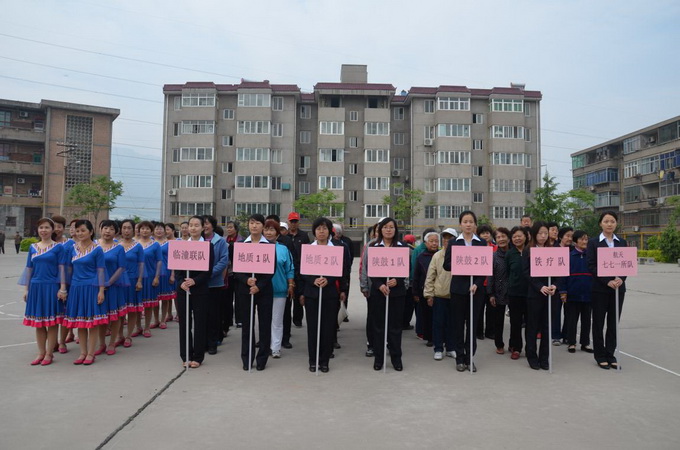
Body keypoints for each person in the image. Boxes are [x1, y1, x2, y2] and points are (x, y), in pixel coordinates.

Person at [300, 217, 348, 372]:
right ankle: (313, 360)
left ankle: (324, 361)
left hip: (330, 294)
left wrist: (329, 280)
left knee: (327, 329)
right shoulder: (308, 249)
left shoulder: (336, 249)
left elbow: (341, 271)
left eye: (325, 228)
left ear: (329, 231)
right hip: (312, 294)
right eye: (318, 228)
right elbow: (302, 271)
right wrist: (313, 280)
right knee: (313, 329)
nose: (321, 231)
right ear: (314, 231)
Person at [361, 217, 408, 371]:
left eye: (391, 227)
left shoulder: (402, 247)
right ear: (380, 230)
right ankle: (379, 359)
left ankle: (396, 359)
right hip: (378, 292)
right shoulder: (373, 246)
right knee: (378, 327)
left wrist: (397, 280)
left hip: (397, 293)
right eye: (385, 227)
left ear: (396, 230)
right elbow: (370, 268)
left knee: (395, 327)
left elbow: (406, 268)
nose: (388, 230)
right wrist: (379, 284)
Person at [19, 218, 67, 366]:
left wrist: (62, 288)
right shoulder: (33, 247)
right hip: (36, 288)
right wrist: (26, 289)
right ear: (37, 230)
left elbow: (62, 269)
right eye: (41, 228)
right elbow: (29, 269)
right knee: (39, 323)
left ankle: (49, 353)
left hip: (51, 287)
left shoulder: (58, 248)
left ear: (52, 230)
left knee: (52, 322)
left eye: (47, 227)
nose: (43, 230)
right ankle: (41, 352)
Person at [443, 211, 487, 372]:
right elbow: (446, 265)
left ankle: (470, 358)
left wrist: (477, 283)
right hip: (458, 289)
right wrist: (461, 265)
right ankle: (460, 358)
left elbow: (485, 266)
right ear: (460, 224)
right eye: (465, 221)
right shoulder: (454, 242)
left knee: (472, 325)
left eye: (471, 222)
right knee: (458, 325)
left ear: (475, 224)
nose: (468, 224)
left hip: (475, 290)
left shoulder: (481, 243)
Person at [62, 219, 108, 365]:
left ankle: (90, 353)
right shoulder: (72, 249)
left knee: (92, 323)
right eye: (77, 231)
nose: (80, 233)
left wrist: (101, 290)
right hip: (76, 288)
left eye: (83, 230)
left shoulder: (97, 249)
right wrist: (64, 288)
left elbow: (101, 271)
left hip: (91, 288)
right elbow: (68, 270)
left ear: (91, 232)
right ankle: (82, 352)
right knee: (80, 322)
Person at [587, 211, 627, 370]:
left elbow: (627, 263)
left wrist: (621, 278)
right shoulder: (593, 242)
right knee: (598, 322)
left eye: (612, 221)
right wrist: (607, 281)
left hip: (618, 289)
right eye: (606, 221)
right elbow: (591, 265)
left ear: (616, 223)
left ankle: (611, 354)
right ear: (600, 224)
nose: (609, 224)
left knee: (613, 322)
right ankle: (600, 355)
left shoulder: (622, 242)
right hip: (600, 289)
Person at [235, 214, 275, 371]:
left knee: (264, 325)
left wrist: (259, 285)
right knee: (247, 325)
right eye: (252, 223)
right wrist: (246, 280)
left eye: (258, 223)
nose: (254, 226)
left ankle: (262, 359)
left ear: (263, 226)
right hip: (245, 290)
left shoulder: (269, 246)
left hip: (264, 291)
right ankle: (246, 358)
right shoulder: (241, 245)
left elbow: (271, 270)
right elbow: (236, 270)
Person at [174, 215, 215, 368]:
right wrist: (181, 283)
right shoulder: (181, 245)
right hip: (183, 289)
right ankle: (185, 355)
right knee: (184, 323)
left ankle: (198, 356)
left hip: (200, 289)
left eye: (196, 225)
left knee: (200, 323)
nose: (193, 228)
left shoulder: (208, 246)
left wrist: (195, 281)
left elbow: (208, 271)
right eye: (191, 225)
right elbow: (177, 270)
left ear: (203, 228)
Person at [525, 221, 558, 370]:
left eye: (545, 233)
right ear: (534, 234)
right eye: (540, 233)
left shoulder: (553, 250)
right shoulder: (529, 250)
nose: (543, 236)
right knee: (532, 326)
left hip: (551, 294)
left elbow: (561, 271)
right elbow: (526, 272)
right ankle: (532, 356)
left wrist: (555, 285)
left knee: (547, 327)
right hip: (535, 294)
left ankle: (544, 358)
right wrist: (539, 286)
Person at [262, 220, 294, 359]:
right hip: (261, 290)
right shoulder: (257, 247)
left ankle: (275, 347)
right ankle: (264, 345)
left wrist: (291, 285)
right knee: (264, 320)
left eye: (272, 230)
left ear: (277, 233)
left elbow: (289, 269)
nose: (269, 232)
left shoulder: (283, 249)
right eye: (266, 229)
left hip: (279, 289)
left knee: (277, 320)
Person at [559, 230, 593, 354]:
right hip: (572, 293)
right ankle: (571, 342)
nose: (584, 241)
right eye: (582, 239)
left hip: (588, 293)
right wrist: (563, 291)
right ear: (575, 241)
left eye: (586, 239)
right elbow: (563, 275)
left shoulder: (591, 256)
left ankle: (585, 343)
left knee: (586, 320)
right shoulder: (569, 256)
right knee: (572, 319)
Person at [423, 228, 455, 361]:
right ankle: (438, 348)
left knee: (453, 324)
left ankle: (451, 348)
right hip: (440, 295)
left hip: (455, 295)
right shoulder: (437, 256)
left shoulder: (460, 255)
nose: (447, 241)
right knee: (438, 323)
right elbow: (430, 276)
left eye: (450, 238)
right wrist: (429, 294)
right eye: (445, 238)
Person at [203, 215, 229, 355]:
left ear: (213, 226)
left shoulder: (220, 241)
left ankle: (212, 343)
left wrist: (209, 274)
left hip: (214, 283)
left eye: (207, 223)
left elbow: (224, 261)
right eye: (202, 224)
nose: (204, 226)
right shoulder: (195, 241)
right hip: (198, 285)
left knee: (213, 315)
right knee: (201, 316)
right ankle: (202, 343)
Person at [505, 226, 530, 360]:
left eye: (519, 236)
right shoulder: (509, 254)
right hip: (514, 293)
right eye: (514, 237)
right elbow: (507, 273)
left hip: (531, 293)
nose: (517, 239)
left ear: (526, 236)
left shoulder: (531, 251)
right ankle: (516, 348)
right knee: (515, 322)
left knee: (531, 323)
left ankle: (530, 348)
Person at [487, 227, 512, 355]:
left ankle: (513, 344)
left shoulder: (514, 254)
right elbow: (490, 275)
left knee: (515, 320)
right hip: (498, 291)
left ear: (508, 237)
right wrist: (490, 293)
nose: (501, 239)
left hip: (514, 292)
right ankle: (499, 344)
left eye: (503, 236)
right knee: (498, 321)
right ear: (495, 240)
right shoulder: (494, 256)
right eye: (498, 237)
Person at [120, 219, 144, 348]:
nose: (126, 230)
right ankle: (119, 335)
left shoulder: (137, 246)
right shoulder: (116, 245)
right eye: (124, 228)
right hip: (119, 282)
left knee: (132, 309)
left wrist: (139, 280)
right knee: (120, 310)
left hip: (133, 280)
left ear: (134, 230)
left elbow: (141, 264)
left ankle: (128, 335)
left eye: (129, 228)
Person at [413, 232, 438, 348]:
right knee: (427, 315)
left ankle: (439, 337)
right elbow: (416, 275)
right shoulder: (421, 257)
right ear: (426, 243)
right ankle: (429, 337)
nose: (434, 243)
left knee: (438, 316)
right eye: (431, 241)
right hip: (424, 290)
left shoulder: (441, 255)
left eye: (436, 241)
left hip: (439, 290)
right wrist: (415, 292)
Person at [359, 222, 380, 357]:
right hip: (373, 288)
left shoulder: (397, 246)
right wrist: (364, 285)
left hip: (392, 289)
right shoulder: (370, 246)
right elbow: (364, 267)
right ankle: (371, 344)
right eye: (378, 230)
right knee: (373, 317)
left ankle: (387, 343)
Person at [137, 221, 161, 337]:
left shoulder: (155, 245)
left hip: (150, 277)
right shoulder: (134, 244)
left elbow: (159, 261)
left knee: (148, 304)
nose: (144, 230)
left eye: (147, 229)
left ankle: (147, 327)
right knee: (136, 304)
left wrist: (157, 277)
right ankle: (138, 327)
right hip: (136, 278)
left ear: (151, 231)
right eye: (142, 228)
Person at [551, 226, 575, 345]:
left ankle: (567, 335)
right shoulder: (553, 249)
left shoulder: (574, 251)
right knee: (555, 312)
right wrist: (556, 285)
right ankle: (556, 336)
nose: (570, 238)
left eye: (571, 236)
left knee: (569, 312)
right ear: (560, 237)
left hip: (570, 285)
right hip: (556, 285)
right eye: (567, 236)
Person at [287, 212, 309, 328]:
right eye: (292, 221)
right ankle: (287, 318)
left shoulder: (304, 236)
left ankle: (298, 319)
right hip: (288, 268)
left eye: (295, 221)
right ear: (288, 222)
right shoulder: (285, 236)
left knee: (298, 294)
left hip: (300, 269)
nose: (293, 224)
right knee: (287, 295)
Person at [475, 224, 497, 341]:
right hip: (480, 283)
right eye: (482, 233)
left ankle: (490, 331)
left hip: (493, 283)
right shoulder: (475, 248)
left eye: (487, 233)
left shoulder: (496, 248)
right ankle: (478, 331)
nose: (485, 235)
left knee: (492, 309)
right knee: (479, 309)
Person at [224, 221, 244, 333]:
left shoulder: (242, 240)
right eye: (228, 227)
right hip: (228, 273)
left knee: (239, 297)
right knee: (228, 298)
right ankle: (229, 320)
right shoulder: (224, 241)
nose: (229, 229)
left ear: (236, 229)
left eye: (231, 227)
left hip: (239, 273)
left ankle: (239, 320)